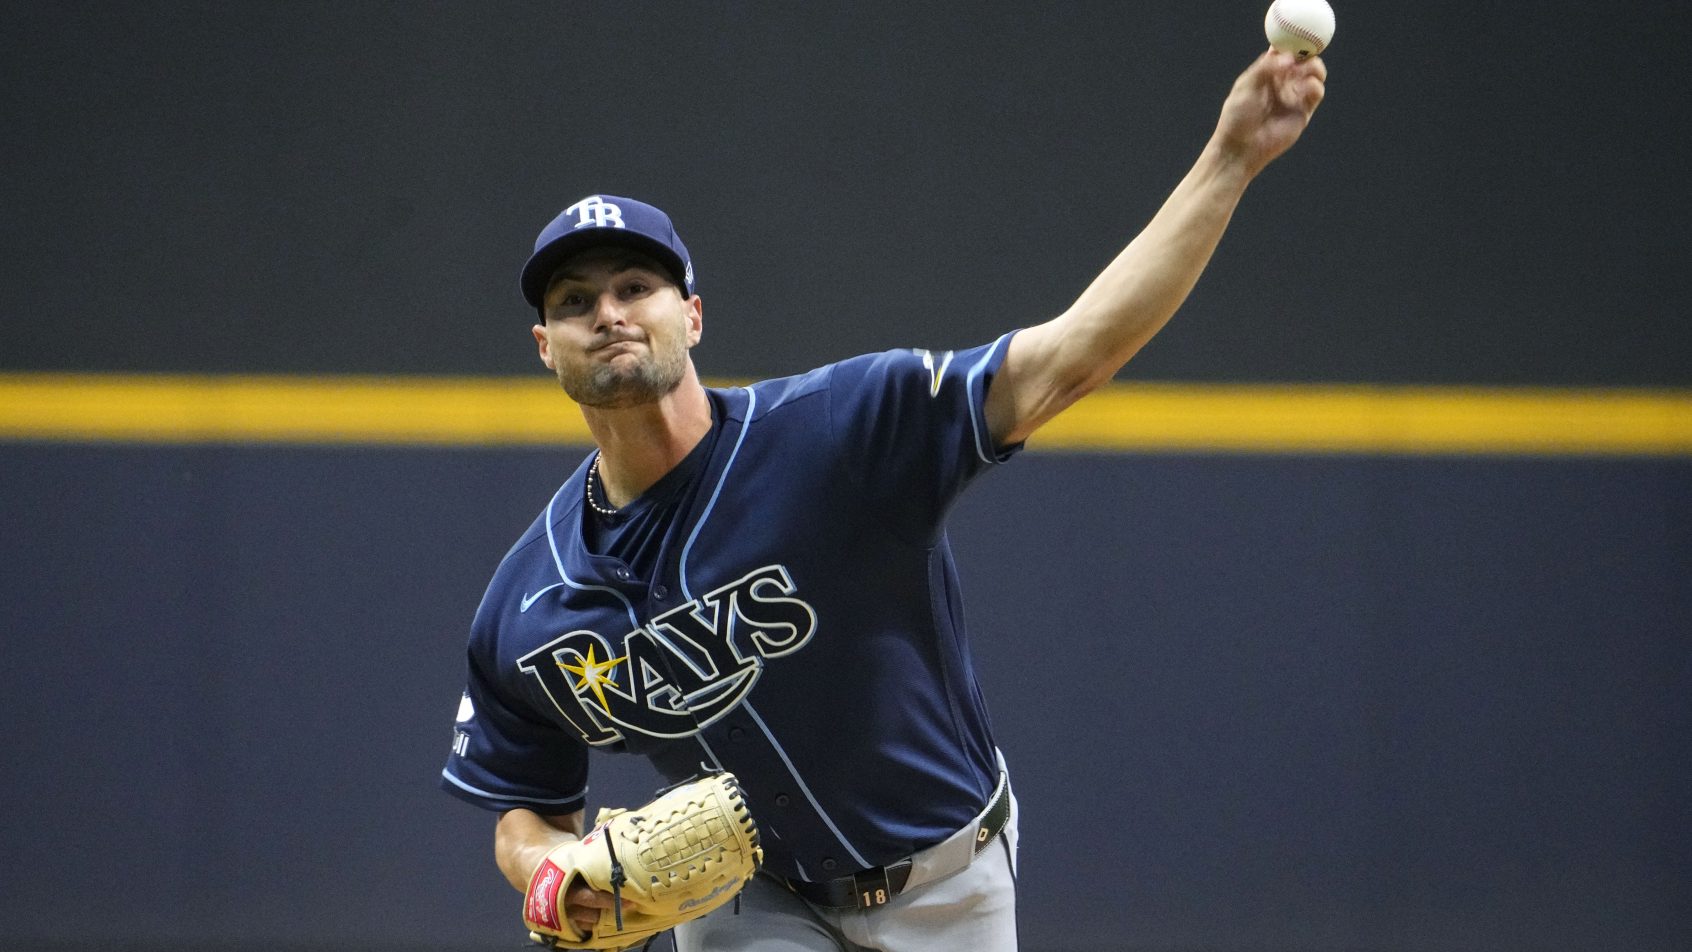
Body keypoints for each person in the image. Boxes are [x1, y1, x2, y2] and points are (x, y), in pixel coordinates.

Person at [442, 49, 1326, 952]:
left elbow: (1074, 356)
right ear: (545, 346)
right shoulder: (528, 603)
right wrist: (550, 869)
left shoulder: (839, 429)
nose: (611, 313)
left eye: (638, 287)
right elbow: (523, 809)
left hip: (947, 883)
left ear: (693, 315)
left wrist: (1230, 157)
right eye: (577, 299)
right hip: (752, 904)